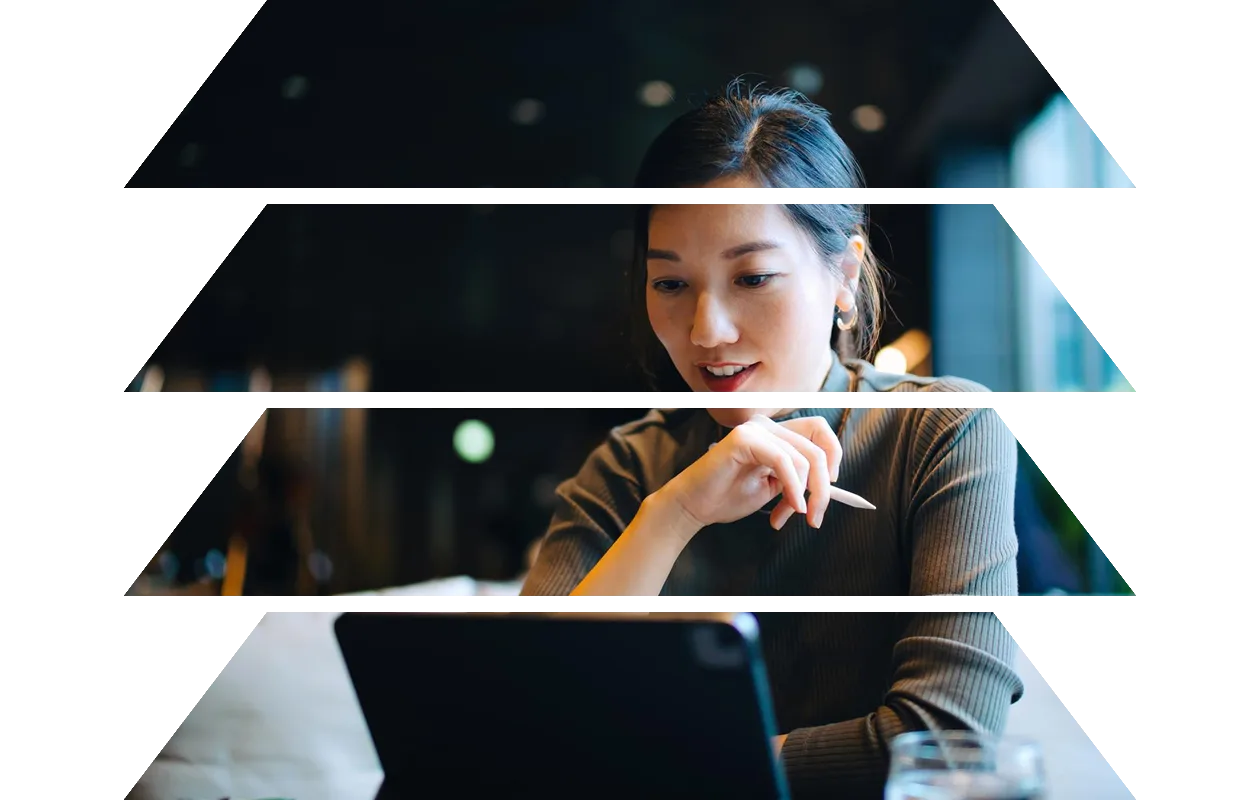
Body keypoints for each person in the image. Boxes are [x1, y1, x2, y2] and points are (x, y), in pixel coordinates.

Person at [520, 80, 1023, 800]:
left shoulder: (939, 433)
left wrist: (676, 767)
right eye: (670, 285)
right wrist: (674, 514)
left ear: (844, 274)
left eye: (752, 276)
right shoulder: (633, 467)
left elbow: (947, 741)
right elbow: (529, 716)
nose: (706, 332)